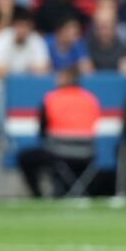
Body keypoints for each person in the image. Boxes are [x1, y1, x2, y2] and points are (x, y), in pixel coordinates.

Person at [17, 66, 100, 198]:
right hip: (86, 154)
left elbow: (42, 131)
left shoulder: (51, 99)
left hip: (58, 154)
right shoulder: (90, 99)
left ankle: (38, 196)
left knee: (25, 158)